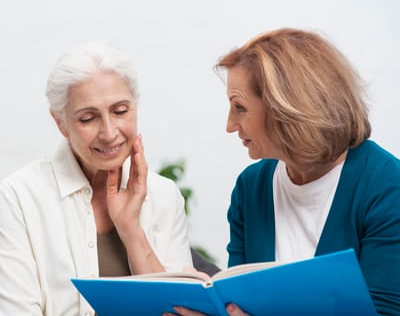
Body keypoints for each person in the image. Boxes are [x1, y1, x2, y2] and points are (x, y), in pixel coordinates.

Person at [164, 28, 400, 316]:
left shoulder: (386, 185)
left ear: (286, 108)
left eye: (239, 107)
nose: (229, 124)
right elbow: (237, 303)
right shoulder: (250, 187)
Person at [0, 42, 192, 315]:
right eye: (88, 118)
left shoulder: (164, 195)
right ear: (60, 123)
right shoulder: (17, 197)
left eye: (120, 111)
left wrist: (131, 229)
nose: (109, 132)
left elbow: (180, 309)